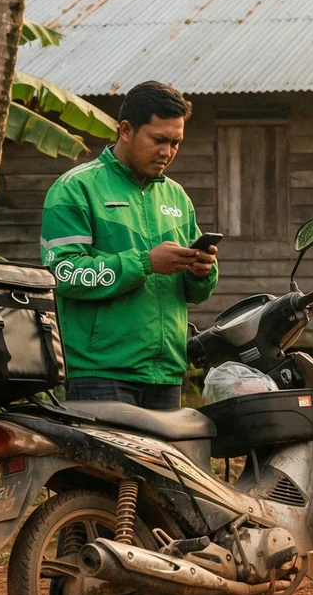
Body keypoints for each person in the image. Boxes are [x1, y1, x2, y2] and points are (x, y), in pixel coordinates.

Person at [40, 81, 219, 409]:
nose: (167, 152)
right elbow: (63, 274)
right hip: (100, 374)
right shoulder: (75, 189)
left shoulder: (176, 196)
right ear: (125, 130)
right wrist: (145, 263)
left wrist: (201, 271)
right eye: (158, 140)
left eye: (176, 142)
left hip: (165, 374)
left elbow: (196, 293)